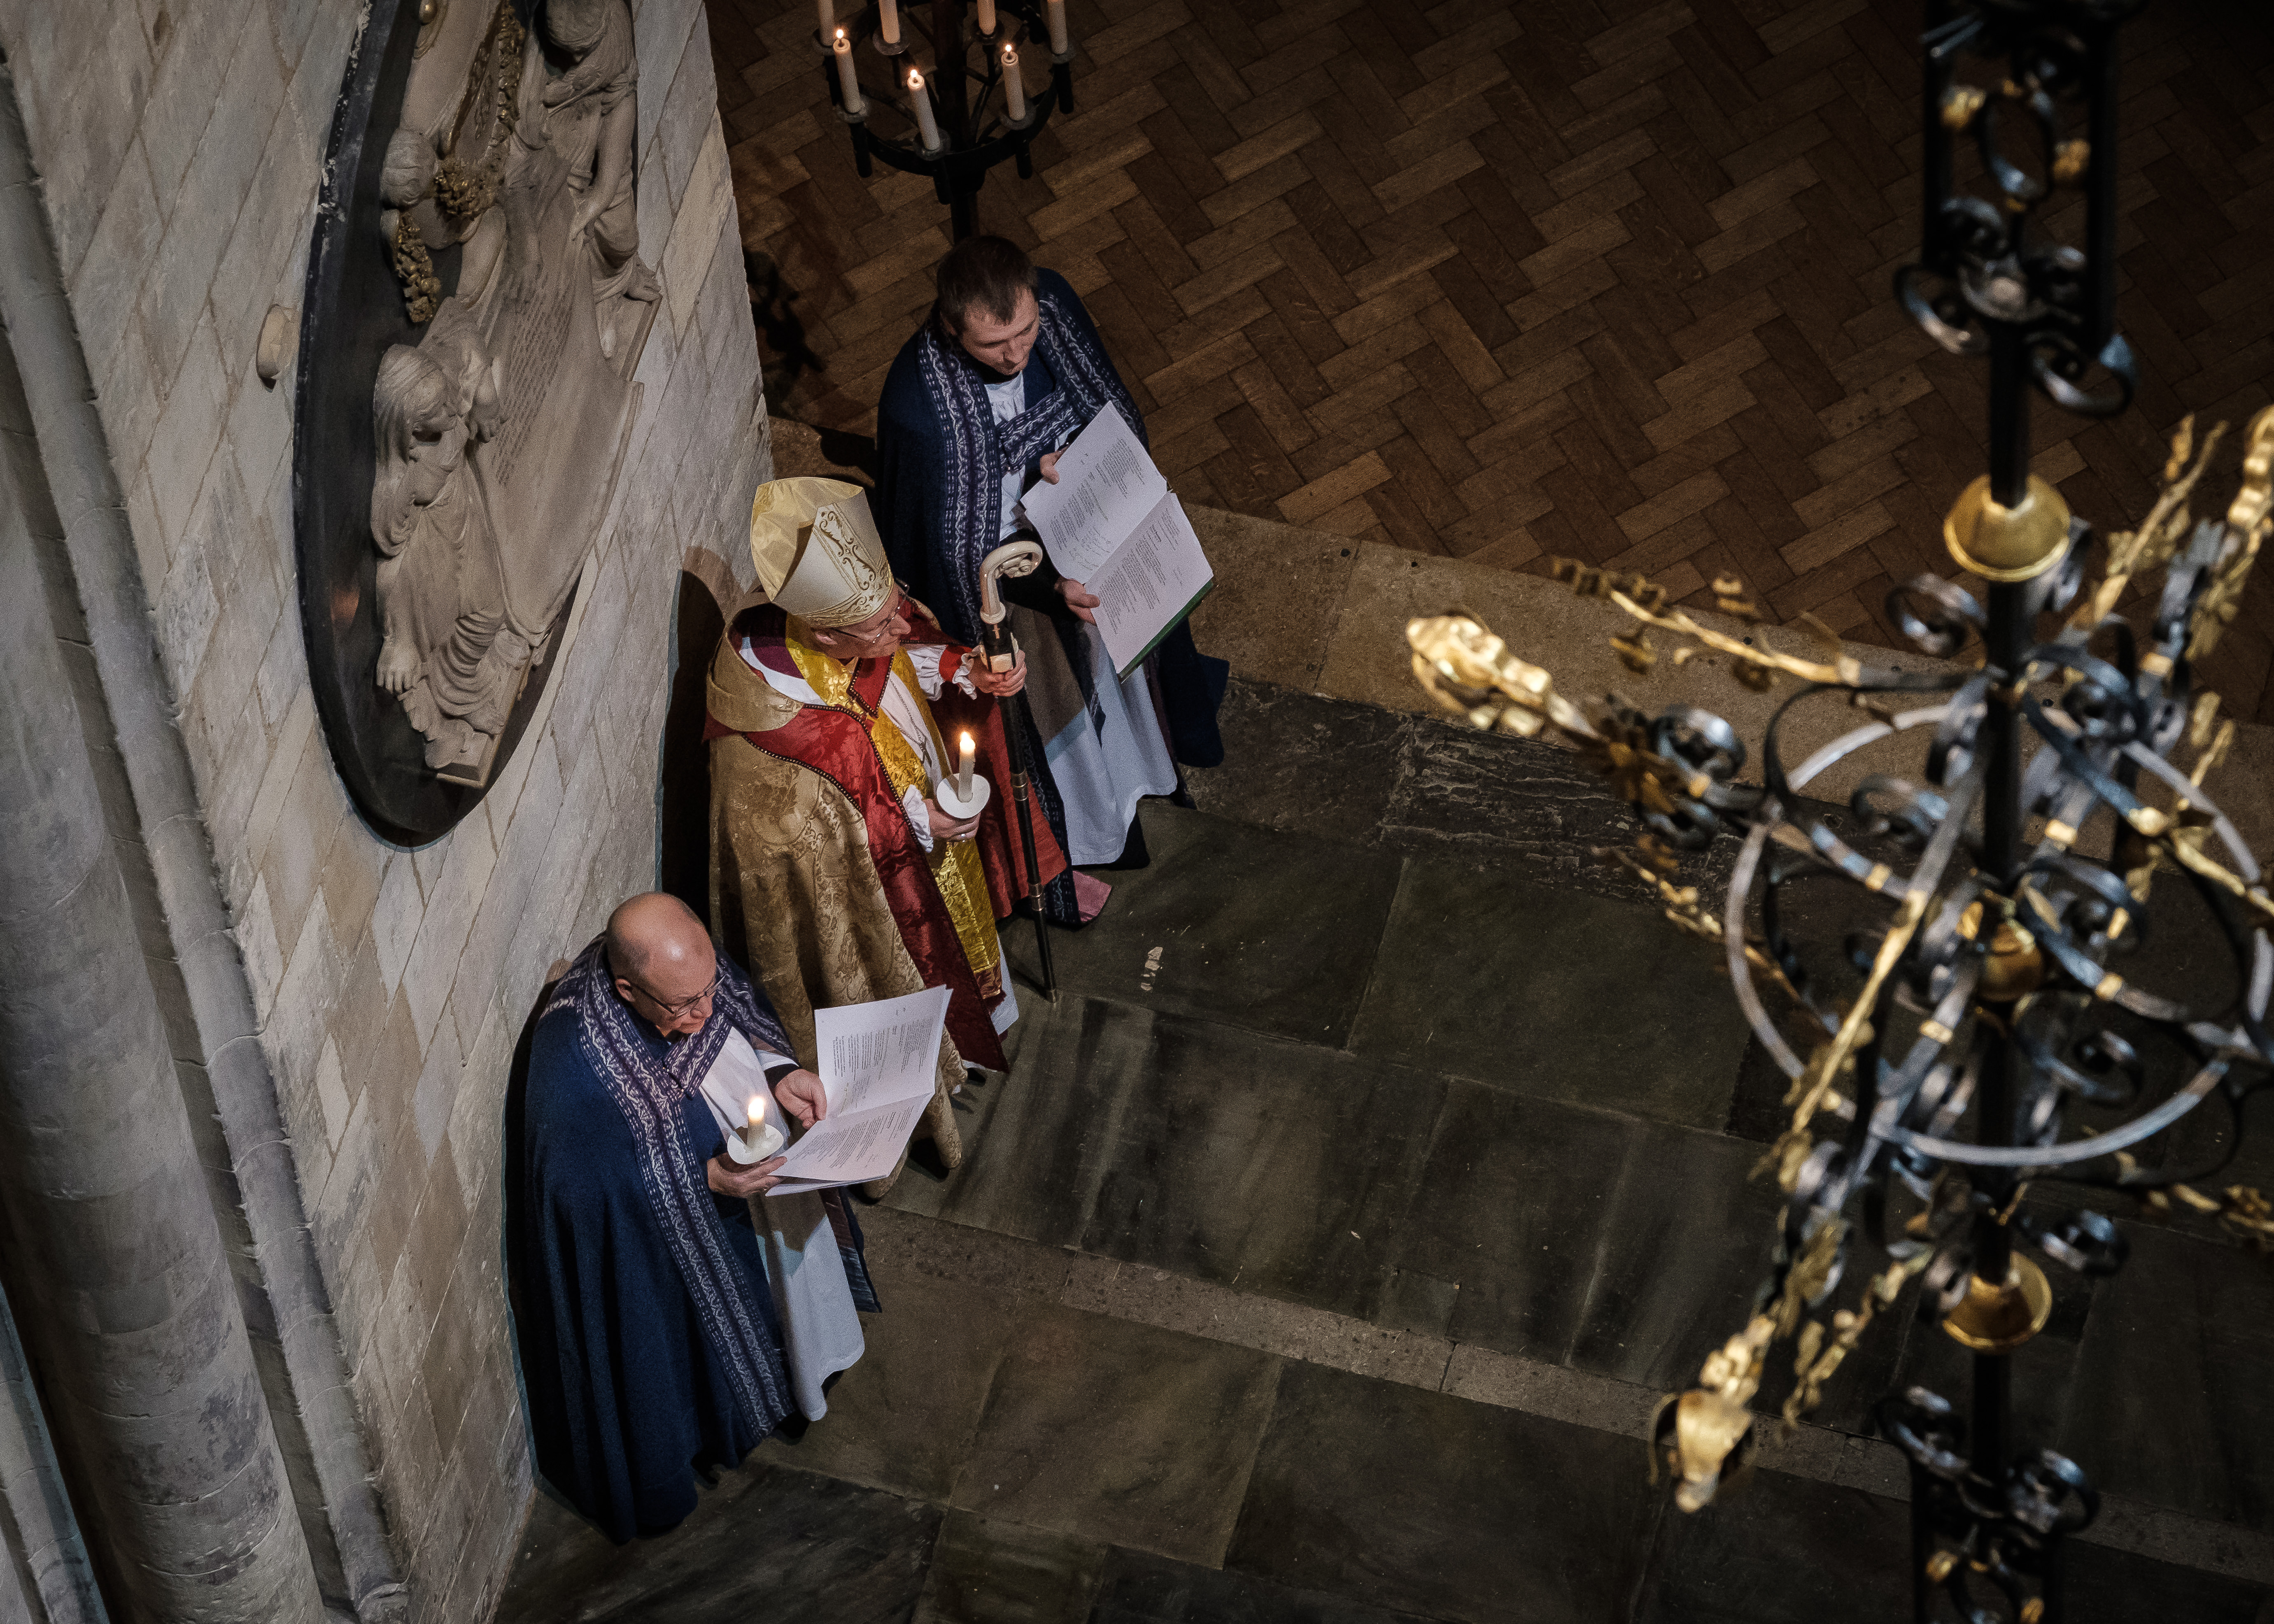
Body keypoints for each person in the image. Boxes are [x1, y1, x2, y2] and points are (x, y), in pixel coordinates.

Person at [706, 477, 1067, 1178]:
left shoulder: (860, 621)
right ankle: (934, 1081)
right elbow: (806, 840)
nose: (900, 627)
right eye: (880, 626)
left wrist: (964, 669)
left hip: (932, 812)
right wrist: (914, 824)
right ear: (826, 634)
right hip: (882, 892)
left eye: (896, 607)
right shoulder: (769, 724)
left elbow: (904, 661)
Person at [873, 235, 1228, 922]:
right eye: (993, 346)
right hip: (1016, 590)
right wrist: (1048, 583)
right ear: (951, 328)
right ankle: (1090, 828)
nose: (1016, 355)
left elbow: (1112, 406)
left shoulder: (1055, 304)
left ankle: (1152, 763)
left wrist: (1083, 468)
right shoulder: (919, 409)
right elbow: (956, 558)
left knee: (1131, 685)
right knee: (1063, 709)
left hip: (1088, 529)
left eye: (1026, 332)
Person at [510, 893, 878, 1543]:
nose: (704, 1011)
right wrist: (701, 1177)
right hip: (679, 1249)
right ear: (628, 989)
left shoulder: (690, 976)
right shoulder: (570, 1063)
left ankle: (803, 1365)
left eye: (708, 989)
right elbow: (581, 1193)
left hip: (765, 1183)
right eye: (684, 1006)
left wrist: (781, 1071)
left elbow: (740, 1019)